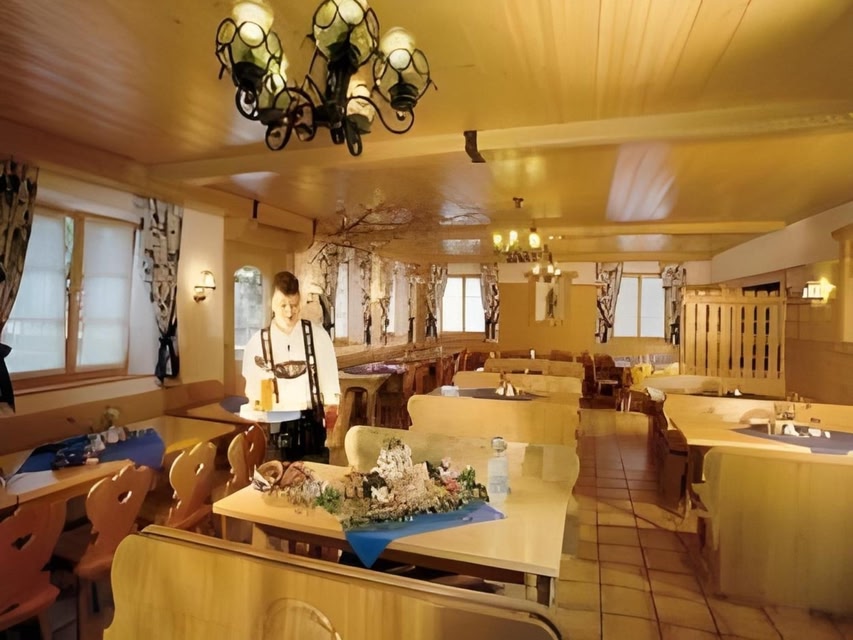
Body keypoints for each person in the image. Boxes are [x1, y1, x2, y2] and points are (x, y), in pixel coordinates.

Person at [242, 271, 340, 462]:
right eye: (283, 305)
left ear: (300, 302)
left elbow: (331, 391)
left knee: (314, 479)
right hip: (275, 432)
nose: (289, 312)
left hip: (311, 431)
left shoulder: (318, 337)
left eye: (294, 305)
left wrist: (330, 424)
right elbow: (254, 397)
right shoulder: (257, 343)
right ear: (271, 303)